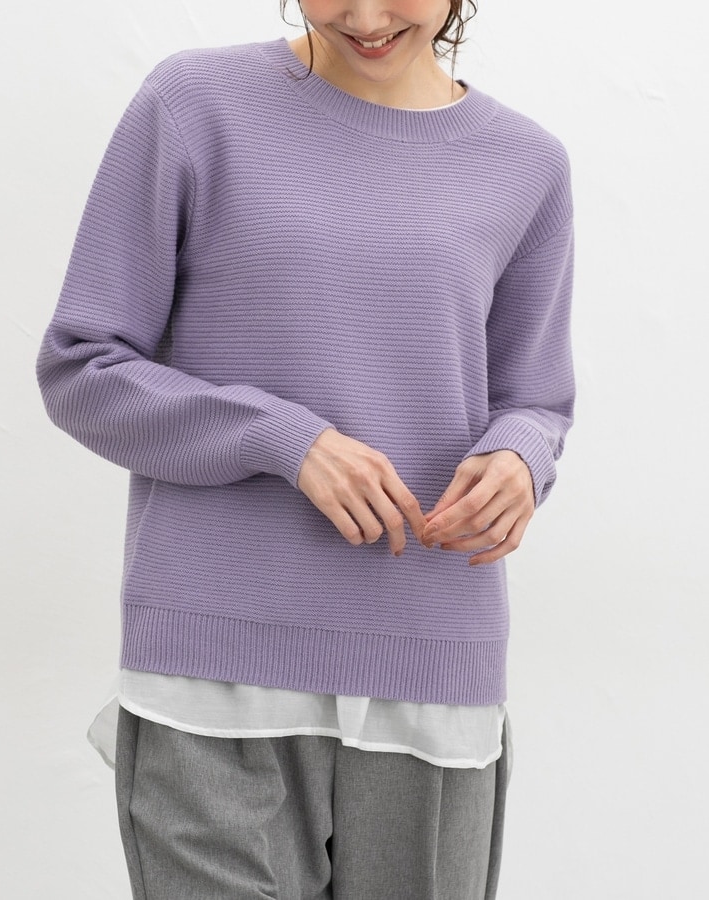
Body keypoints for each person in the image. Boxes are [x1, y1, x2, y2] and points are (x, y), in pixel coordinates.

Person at [36, 1, 575, 897]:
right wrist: (283, 437)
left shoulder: (526, 163)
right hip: (213, 671)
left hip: (428, 665)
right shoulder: (193, 104)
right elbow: (80, 369)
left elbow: (536, 398)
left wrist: (520, 455)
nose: (364, 15)